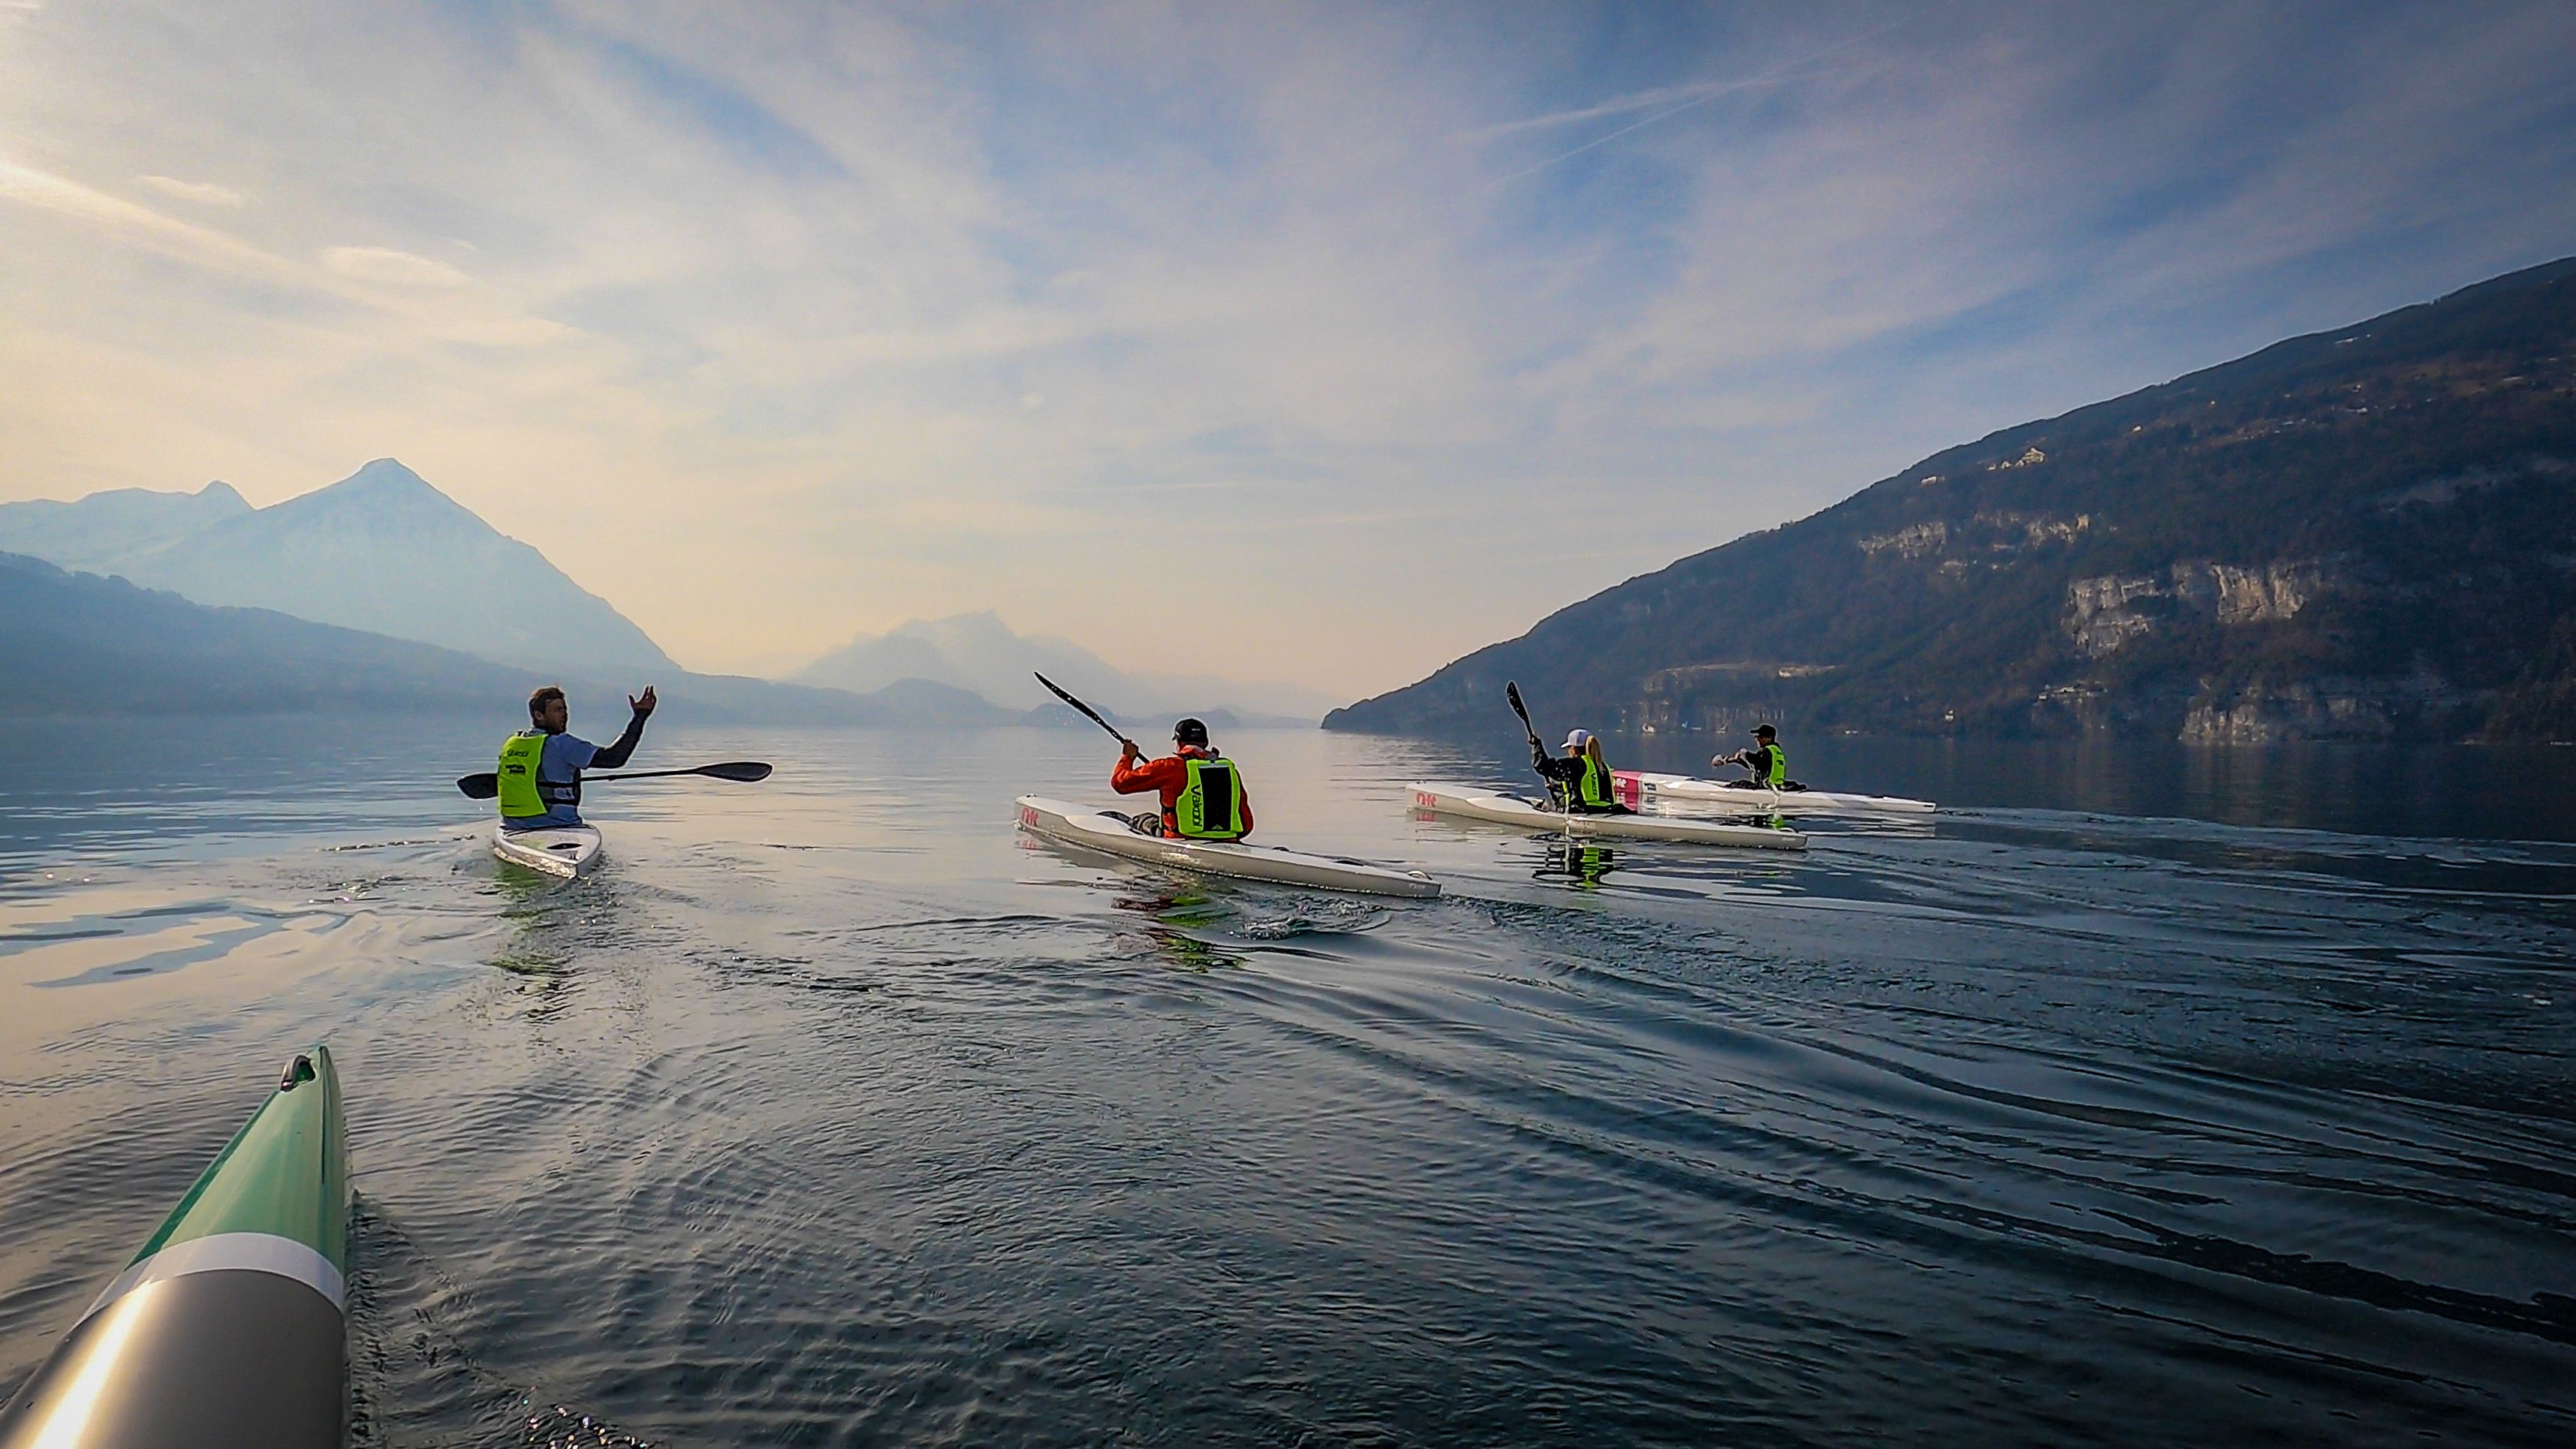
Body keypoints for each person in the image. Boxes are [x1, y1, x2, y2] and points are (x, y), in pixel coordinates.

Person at [497, 684, 657, 831]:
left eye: (565, 709)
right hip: (559, 825)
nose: (564, 715)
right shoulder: (561, 744)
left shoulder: (512, 744)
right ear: (539, 715)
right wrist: (640, 717)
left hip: (512, 826)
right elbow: (614, 759)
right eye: (557, 710)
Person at [1110, 717, 1253, 840]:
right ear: (1206, 743)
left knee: (1143, 820)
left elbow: (1120, 784)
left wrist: (1127, 757)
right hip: (1228, 840)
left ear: (1180, 743)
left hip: (1179, 840)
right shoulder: (1228, 769)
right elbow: (1247, 825)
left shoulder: (1169, 767)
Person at [1532, 728, 1630, 814]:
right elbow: (1586, 786)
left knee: (1548, 805)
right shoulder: (1602, 765)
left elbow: (1542, 766)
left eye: (1569, 747)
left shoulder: (1576, 764)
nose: (1568, 751)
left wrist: (1537, 745)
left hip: (1585, 811)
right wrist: (1556, 787)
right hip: (1608, 809)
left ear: (1574, 749)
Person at [1714, 723, 1796, 791]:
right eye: (1756, 737)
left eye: (1760, 737)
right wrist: (1737, 761)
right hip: (1776, 786)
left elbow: (1754, 760)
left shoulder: (1766, 751)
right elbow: (1758, 767)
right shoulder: (1776, 751)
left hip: (1765, 788)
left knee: (1735, 785)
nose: (1757, 739)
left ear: (1769, 738)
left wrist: (1742, 752)